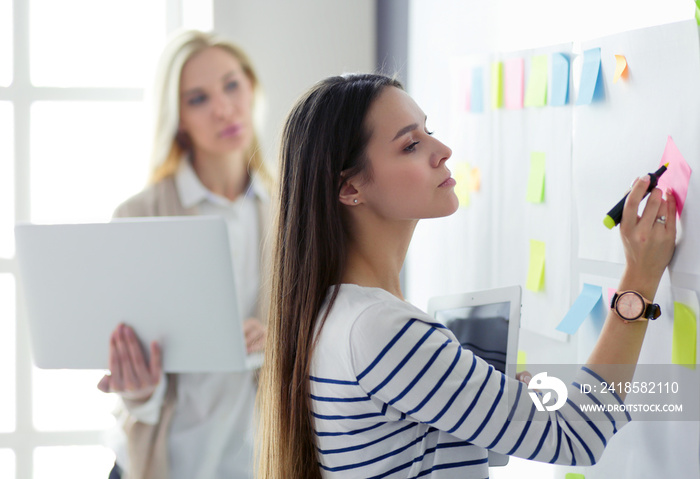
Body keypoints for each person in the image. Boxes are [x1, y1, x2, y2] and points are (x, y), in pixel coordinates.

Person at [256, 73, 676, 478]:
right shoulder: (380, 329)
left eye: (429, 131)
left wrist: (485, 399)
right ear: (350, 189)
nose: (443, 150)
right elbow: (575, 436)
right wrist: (639, 281)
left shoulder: (337, 316)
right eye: (411, 145)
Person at [97, 29, 273, 479]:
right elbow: (128, 359)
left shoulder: (291, 212)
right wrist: (139, 388)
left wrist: (281, 342)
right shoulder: (140, 216)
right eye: (198, 98)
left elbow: (326, 339)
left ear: (251, 87)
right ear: (177, 117)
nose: (223, 108)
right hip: (164, 462)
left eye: (232, 85)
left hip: (254, 461)